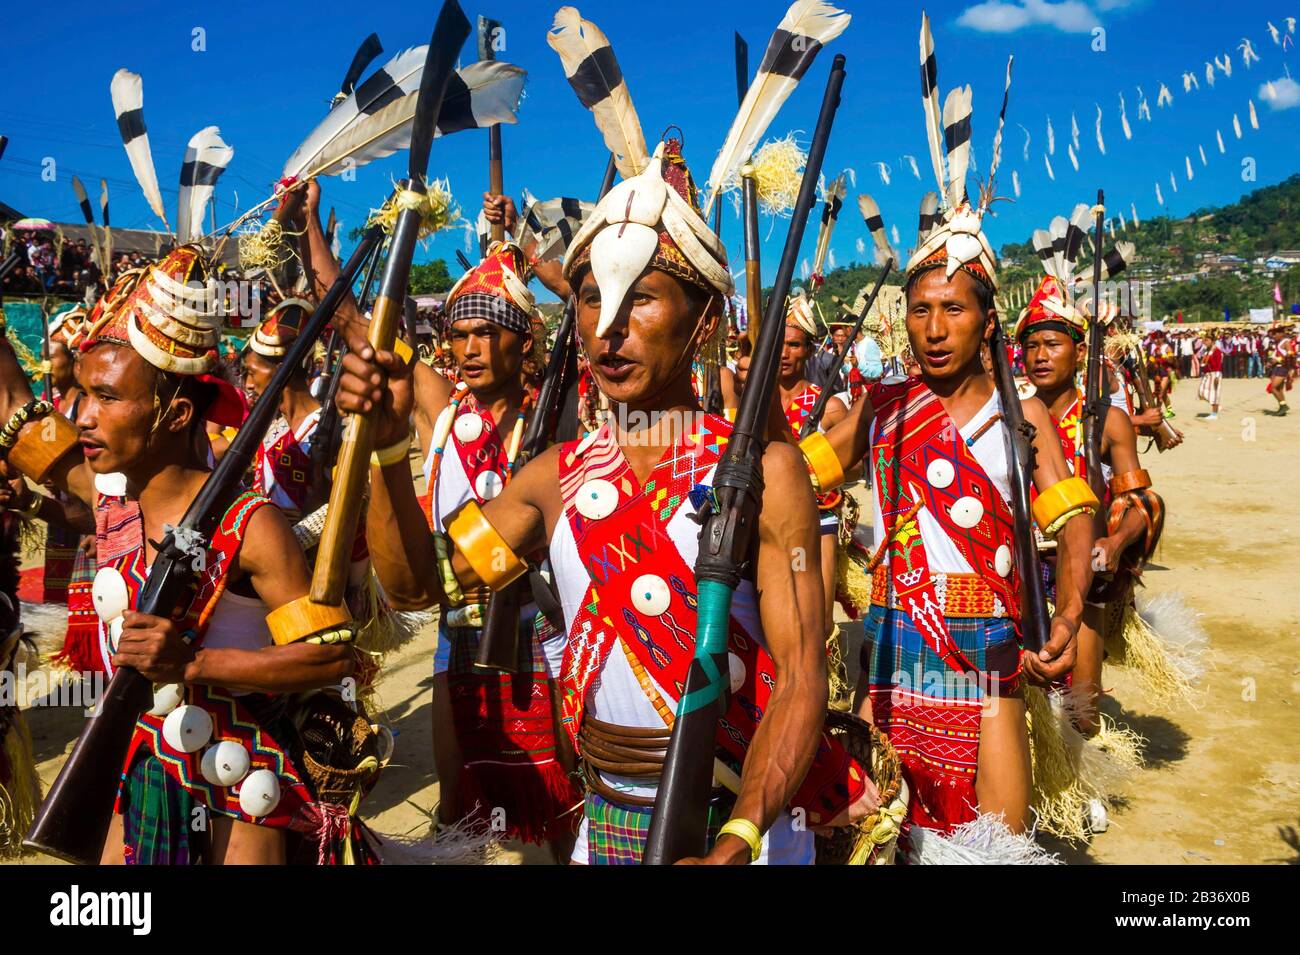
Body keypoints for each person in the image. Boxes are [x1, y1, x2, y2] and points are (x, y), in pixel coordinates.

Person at [337, 137, 873, 865]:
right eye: (591, 297)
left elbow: (803, 673)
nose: (608, 325)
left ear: (705, 323)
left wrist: (735, 843)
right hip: (607, 827)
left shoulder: (768, 474)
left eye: (641, 297)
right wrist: (391, 452)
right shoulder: (551, 479)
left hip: (741, 825)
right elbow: (414, 588)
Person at [806, 35, 1097, 843]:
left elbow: (1075, 522)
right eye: (921, 309)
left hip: (993, 643)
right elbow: (807, 471)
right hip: (896, 640)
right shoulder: (881, 404)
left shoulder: (1024, 414)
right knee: (885, 833)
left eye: (954, 309)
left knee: (993, 850)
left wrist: (1068, 611)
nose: (933, 329)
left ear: (988, 316)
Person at [0, 245, 366, 864]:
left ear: (173, 414)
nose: (83, 417)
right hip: (137, 763)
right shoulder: (113, 500)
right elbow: (17, 415)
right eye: (83, 395)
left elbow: (332, 661)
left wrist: (192, 664)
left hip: (243, 781)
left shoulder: (253, 525)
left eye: (108, 398)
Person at [1017, 275, 1163, 736]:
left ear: (1080, 352)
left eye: (1052, 344)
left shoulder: (1107, 420)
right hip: (1017, 574)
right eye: (1032, 346)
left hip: (1081, 571)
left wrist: (1116, 541)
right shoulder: (1009, 413)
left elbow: (1141, 500)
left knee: (1080, 707)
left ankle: (1081, 792)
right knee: (1020, 698)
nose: (1040, 356)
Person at [779, 292, 849, 634]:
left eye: (793, 345)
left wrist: (811, 464)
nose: (783, 353)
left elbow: (857, 466)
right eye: (778, 343)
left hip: (818, 522)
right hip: (772, 524)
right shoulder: (754, 402)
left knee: (818, 617)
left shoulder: (830, 406)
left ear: (808, 349)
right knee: (783, 612)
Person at [242, 298, 324, 520]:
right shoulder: (273, 428)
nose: (248, 384)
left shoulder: (325, 432)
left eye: (252, 372)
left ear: (280, 371)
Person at [1197, 333, 1223, 419]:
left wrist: (1217, 376)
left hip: (1215, 373)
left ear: (1212, 341)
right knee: (1201, 392)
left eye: (1207, 340)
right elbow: (1203, 362)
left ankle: (1214, 414)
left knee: (1214, 393)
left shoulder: (1217, 351)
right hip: (1207, 374)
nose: (1205, 342)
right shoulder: (1206, 351)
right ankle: (1216, 405)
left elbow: (1219, 364)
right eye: (1204, 340)